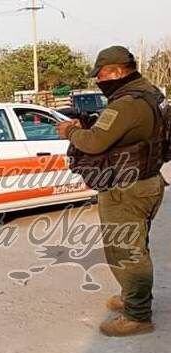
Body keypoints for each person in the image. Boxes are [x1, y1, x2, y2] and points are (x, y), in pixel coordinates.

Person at [57, 46, 167, 337]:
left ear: (118, 71)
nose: (98, 82)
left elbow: (93, 143)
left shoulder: (126, 104)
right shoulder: (150, 93)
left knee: (127, 251)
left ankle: (138, 315)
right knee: (133, 246)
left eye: (101, 75)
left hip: (127, 188)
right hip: (145, 181)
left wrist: (70, 131)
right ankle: (134, 296)